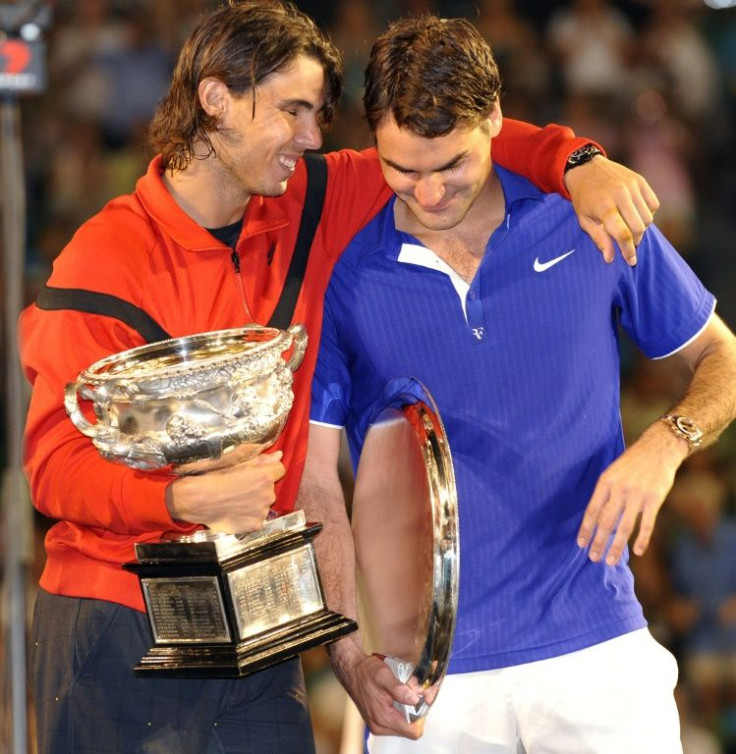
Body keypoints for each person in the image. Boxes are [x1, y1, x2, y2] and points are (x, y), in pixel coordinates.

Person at [20, 2, 661, 753]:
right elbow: (52, 468)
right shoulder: (104, 258)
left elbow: (460, 142)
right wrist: (177, 497)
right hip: (118, 623)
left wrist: (578, 162)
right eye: (292, 110)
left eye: (318, 113)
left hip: (266, 627)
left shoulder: (315, 200)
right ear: (216, 98)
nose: (313, 137)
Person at [297, 14, 736, 754]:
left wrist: (666, 443)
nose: (429, 193)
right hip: (422, 685)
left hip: (598, 651)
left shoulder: (590, 217)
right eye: (402, 169)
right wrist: (346, 657)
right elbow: (314, 483)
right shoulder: (343, 273)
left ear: (498, 119)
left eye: (452, 166)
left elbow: (721, 359)